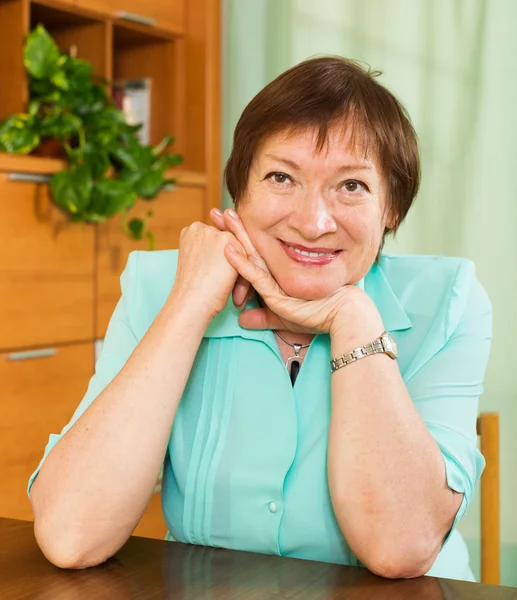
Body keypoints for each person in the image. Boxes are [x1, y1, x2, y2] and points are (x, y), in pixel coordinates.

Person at [28, 56, 491, 581]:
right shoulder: (158, 287)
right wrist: (189, 305)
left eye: (352, 186)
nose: (313, 223)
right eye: (281, 177)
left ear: (393, 209)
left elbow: (400, 547)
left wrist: (353, 317)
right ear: (239, 192)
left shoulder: (449, 300)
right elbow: (71, 535)